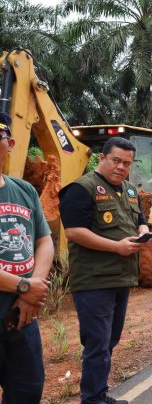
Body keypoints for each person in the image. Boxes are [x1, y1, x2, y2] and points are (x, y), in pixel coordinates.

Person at [59, 136, 151, 404]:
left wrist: (145, 233)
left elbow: (141, 221)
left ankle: (98, 393)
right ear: (102, 158)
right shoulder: (81, 188)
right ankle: (93, 399)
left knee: (110, 340)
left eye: (127, 163)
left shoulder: (130, 190)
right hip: (93, 280)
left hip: (121, 278)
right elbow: (74, 232)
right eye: (116, 161)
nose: (121, 167)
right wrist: (116, 247)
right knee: (97, 344)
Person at [0, 113, 54, 404]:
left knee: (27, 392)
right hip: (19, 299)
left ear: (10, 143)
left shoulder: (24, 190)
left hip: (22, 318)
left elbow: (44, 241)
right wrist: (23, 287)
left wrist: (31, 289)